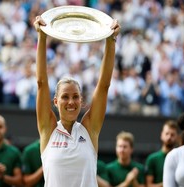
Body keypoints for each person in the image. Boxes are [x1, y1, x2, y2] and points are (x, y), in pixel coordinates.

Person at [33, 14, 120, 187]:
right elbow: (42, 83)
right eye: (65, 97)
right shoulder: (48, 128)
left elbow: (103, 86)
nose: (71, 102)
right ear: (56, 102)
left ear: (81, 101)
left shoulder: (89, 129)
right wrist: (42, 37)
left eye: (75, 97)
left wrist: (111, 41)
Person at [145, 120, 179, 187]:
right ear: (161, 135)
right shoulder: (152, 159)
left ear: (177, 137)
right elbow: (148, 185)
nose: (169, 137)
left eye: (172, 135)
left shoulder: (180, 158)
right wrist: (167, 184)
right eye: (167, 134)